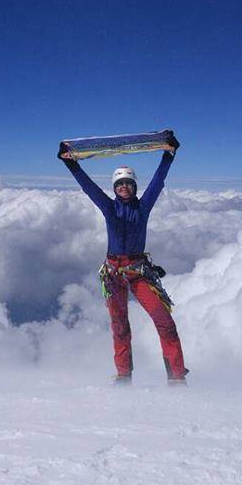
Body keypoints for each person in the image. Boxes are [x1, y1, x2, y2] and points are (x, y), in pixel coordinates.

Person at [59, 135, 188, 385]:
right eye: (120, 185)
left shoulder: (144, 207)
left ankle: (176, 375)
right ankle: (123, 375)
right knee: (119, 326)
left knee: (164, 320)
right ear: (114, 188)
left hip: (138, 272)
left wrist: (168, 155)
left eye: (128, 184)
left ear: (134, 187)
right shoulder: (109, 208)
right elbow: (89, 187)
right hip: (114, 273)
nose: (124, 188)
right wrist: (70, 164)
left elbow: (158, 182)